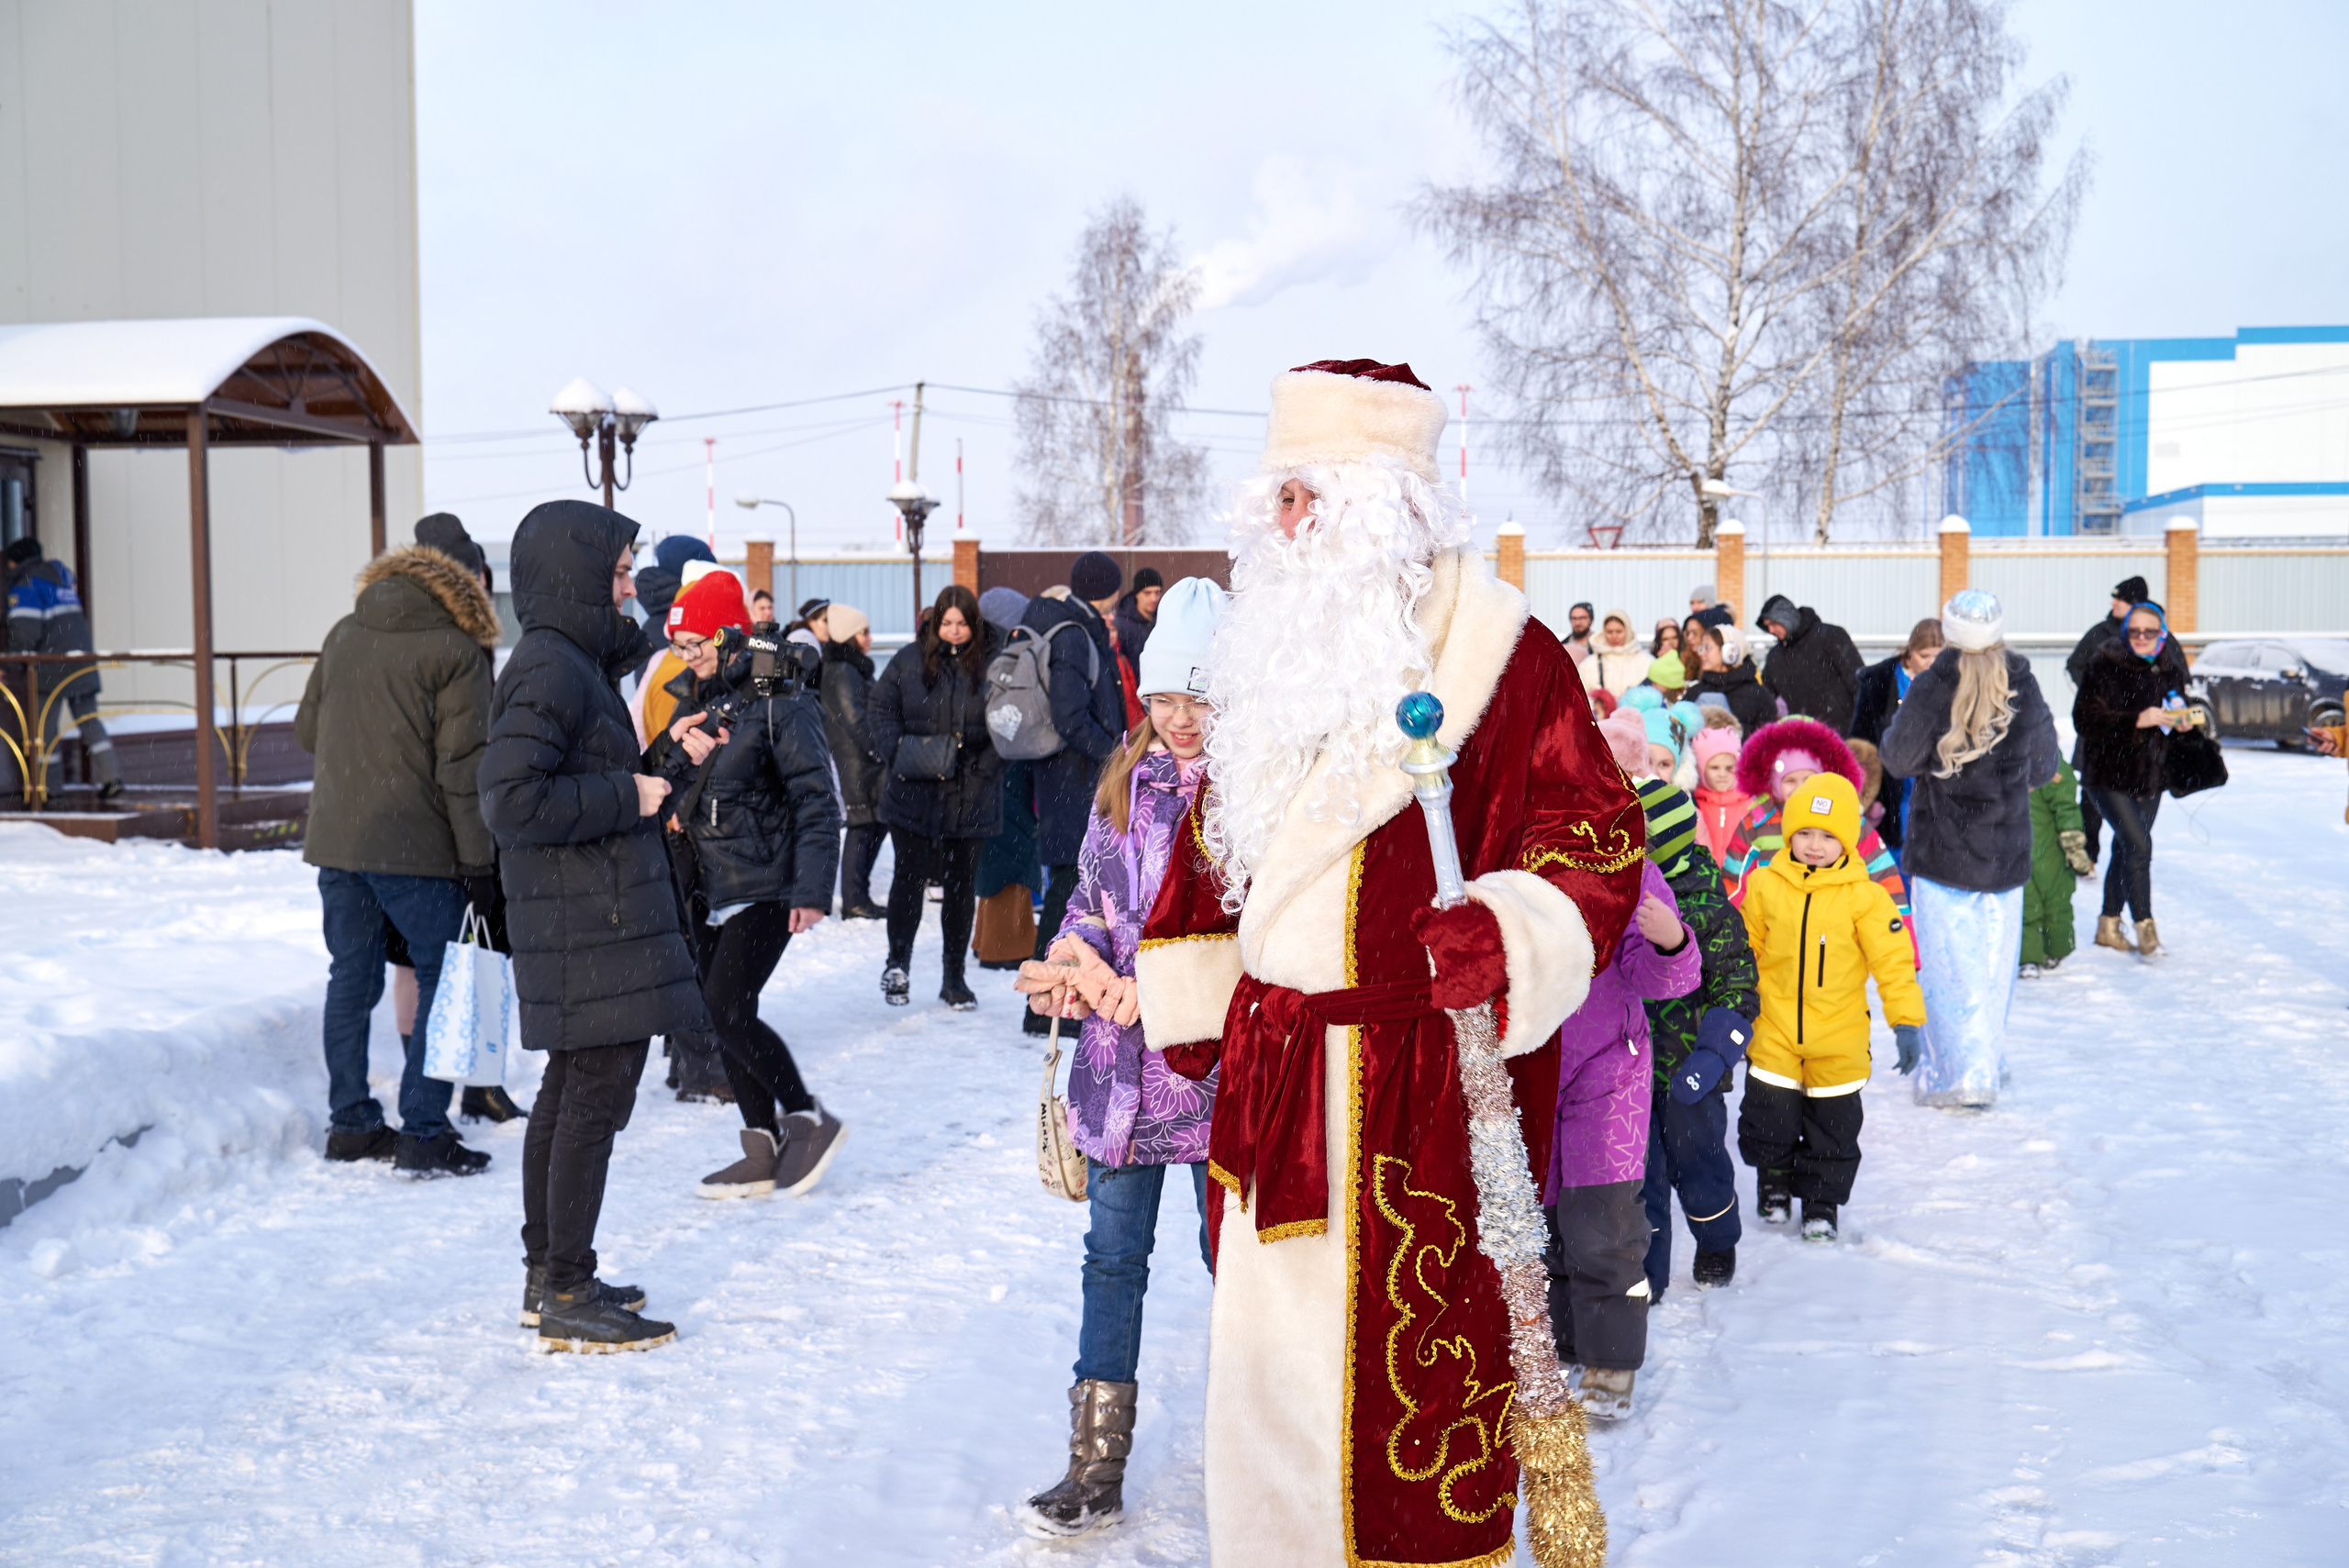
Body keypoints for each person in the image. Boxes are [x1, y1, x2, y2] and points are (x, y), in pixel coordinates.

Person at [1132, 359, 1642, 1567]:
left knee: (1411, 1415)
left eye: (1305, 496)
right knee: (1273, 1399)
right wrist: (1199, 988)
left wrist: (1513, 925)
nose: (1283, 523)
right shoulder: (1266, 652)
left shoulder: (1503, 661)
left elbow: (1595, 842)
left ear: (1385, 498)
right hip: (1276, 1083)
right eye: (1276, 500)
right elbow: (1221, 844)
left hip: (1420, 1087)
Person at [1011, 576, 1224, 1538]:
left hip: (1217, 1073)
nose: (1181, 719)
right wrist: (1070, 956)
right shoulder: (1121, 783)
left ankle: (1262, 1446)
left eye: (1201, 698)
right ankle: (1094, 1462)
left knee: (1239, 1265)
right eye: (1166, 699)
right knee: (1111, 1261)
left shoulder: (1256, 797)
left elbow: (1260, 938)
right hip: (1117, 1075)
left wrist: (1164, 991)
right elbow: (1090, 899)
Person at [480, 499, 709, 1352]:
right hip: (586, 923)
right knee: (591, 1103)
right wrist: (629, 792)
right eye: (617, 573)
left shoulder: (571, 664)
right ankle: (566, 1286)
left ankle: (553, 1273)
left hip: (590, 916)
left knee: (573, 1096)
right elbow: (511, 800)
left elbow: (588, 786)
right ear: (575, 575)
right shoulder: (550, 667)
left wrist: (663, 764)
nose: (628, 587)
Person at [295, 526, 503, 1174]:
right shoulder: (457, 651)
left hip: (336, 841)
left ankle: (351, 1122)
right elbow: (463, 769)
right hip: (416, 848)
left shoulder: (343, 634)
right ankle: (423, 1129)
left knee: (350, 978)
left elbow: (307, 731)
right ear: (461, 592)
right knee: (443, 978)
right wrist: (480, 861)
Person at [644, 569, 848, 1200]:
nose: (689, 658)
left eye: (698, 643)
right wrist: (671, 748)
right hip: (710, 882)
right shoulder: (701, 693)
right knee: (724, 1009)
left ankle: (808, 1118)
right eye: (680, 647)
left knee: (726, 1005)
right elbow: (661, 775)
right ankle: (761, 1143)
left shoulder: (777, 694)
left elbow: (817, 798)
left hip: (769, 879)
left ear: (731, 631)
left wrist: (812, 889)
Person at [1542, 824, 1698, 1421]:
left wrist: (1670, 941)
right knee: (1544, 1214)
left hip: (1608, 1064)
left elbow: (1666, 978)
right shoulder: (1504, 849)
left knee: (1603, 1218)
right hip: (1527, 1064)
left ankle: (1611, 1357)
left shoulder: (1626, 867)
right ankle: (1559, 1340)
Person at [1880, 591, 2059, 1108]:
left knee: (1948, 970)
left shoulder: (1936, 682)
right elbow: (2046, 764)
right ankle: (1983, 1065)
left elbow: (1896, 756)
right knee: (1991, 969)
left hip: (1943, 851)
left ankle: (1956, 1075)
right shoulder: (2021, 681)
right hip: (2003, 851)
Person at [1738, 772, 1923, 1240]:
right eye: (1804, 833)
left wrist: (1905, 1022)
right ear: (1788, 833)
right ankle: (1774, 1182)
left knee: (1834, 1130)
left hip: (1838, 1037)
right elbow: (1743, 952)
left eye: (1827, 835)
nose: (1815, 845)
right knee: (1769, 1118)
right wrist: (1729, 1009)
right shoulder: (1764, 886)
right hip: (1774, 1027)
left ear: (1848, 840)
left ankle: (1821, 1204)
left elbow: (1893, 962)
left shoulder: (1866, 898)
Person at [1634, 775, 1755, 1301]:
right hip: (1632, 1075)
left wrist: (1714, 1054)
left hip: (1690, 1076)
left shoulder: (1712, 912)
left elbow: (1740, 991)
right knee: (1643, 1180)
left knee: (1701, 1167)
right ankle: (1649, 1275)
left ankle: (1716, 1240)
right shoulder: (1628, 905)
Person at [869, 582, 1002, 1008]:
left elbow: (1008, 724)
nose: (955, 631)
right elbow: (880, 710)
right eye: (947, 622)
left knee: (961, 889)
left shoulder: (994, 664)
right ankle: (897, 964)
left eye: (963, 623)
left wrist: (982, 770)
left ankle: (954, 977)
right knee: (907, 878)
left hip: (971, 795)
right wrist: (901, 753)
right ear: (935, 622)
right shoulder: (909, 660)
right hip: (913, 793)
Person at [1020, 552, 1128, 1035]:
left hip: (1073, 777)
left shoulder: (1073, 626)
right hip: (1072, 779)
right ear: (1106, 589)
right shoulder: (1073, 633)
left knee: (1074, 885)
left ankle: (1054, 1004)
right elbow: (1071, 715)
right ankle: (1043, 1006)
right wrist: (1114, 757)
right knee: (1069, 886)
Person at [2072, 600, 2193, 961]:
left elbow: (2177, 705)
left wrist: (2182, 721)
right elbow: (2084, 720)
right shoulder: (2103, 664)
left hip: (2151, 774)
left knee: (2127, 847)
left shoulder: (2168, 667)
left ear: (2162, 633)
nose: (2141, 638)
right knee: (2139, 847)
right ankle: (2146, 929)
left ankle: (2108, 924)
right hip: (2106, 774)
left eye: (2150, 632)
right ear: (2126, 632)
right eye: (2135, 631)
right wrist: (2134, 721)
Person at [1721, 718, 1909, 927]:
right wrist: (1735, 934)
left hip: (1838, 934)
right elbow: (1733, 885)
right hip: (1774, 935)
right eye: (1790, 781)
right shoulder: (1755, 825)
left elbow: (1883, 877)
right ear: (1772, 783)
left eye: (1808, 779)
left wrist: (1897, 929)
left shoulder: (1847, 819)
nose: (1800, 789)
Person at [3, 535, 120, 802]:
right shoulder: (60, 581)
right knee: (89, 722)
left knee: (45, 729)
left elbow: (24, 633)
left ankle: (49, 789)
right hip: (81, 662)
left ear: (16, 562)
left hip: (51, 667)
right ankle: (111, 777)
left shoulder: (27, 585)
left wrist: (9, 663)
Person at [974, 586, 1042, 970]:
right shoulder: (1003, 660)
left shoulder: (987, 657)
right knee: (1012, 853)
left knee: (1000, 856)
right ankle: (1006, 946)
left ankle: (988, 941)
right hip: (1007, 767)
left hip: (996, 771)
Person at [2065, 574, 2149, 862]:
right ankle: (2089, 852)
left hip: (2137, 737)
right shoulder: (2100, 633)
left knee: (2133, 799)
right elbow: (2074, 666)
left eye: (2120, 598)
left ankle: (2129, 852)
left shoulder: (2152, 636)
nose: (2114, 603)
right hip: (2099, 732)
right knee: (2091, 796)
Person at [1847, 618, 1944, 854]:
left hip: (1934, 785)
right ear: (1910, 652)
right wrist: (1870, 794)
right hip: (1892, 787)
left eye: (1938, 656)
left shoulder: (1951, 682)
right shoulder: (1879, 683)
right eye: (1924, 656)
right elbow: (1862, 741)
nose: (1932, 663)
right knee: (1893, 858)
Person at [818, 603, 885, 919]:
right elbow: (855, 719)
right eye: (864, 632)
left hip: (859, 759)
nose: (870, 638)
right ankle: (855, 899)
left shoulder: (848, 667)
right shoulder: (844, 670)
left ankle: (858, 895)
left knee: (871, 825)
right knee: (863, 826)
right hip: (858, 762)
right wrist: (879, 748)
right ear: (849, 635)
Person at [2021, 757, 2094, 977]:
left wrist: (2073, 845)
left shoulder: (2050, 765)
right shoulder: (2020, 760)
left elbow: (2066, 807)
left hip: (2046, 850)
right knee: (2037, 903)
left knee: (2047, 903)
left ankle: (2046, 952)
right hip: (2029, 849)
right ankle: (2038, 954)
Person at [1754, 592, 1865, 736]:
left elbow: (1859, 681)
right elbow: (1765, 698)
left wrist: (1865, 722)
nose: (1771, 630)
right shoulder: (1775, 657)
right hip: (1804, 738)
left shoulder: (1829, 636)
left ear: (1787, 617)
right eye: (1767, 627)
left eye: (1774, 623)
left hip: (1842, 732)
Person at [1690, 622, 1776, 733]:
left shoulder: (1759, 696)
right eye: (1701, 648)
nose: (1701, 653)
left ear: (1730, 651)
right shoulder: (1695, 692)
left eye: (1707, 648)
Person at [1689, 725, 1749, 863]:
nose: (1722, 774)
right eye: (1714, 768)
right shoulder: (1696, 804)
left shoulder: (1749, 805)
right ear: (1701, 769)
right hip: (1707, 878)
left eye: (1729, 768)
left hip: (1738, 878)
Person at [1113, 565, 1163, 678]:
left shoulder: (1165, 621)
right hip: (1133, 690)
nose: (1154, 598)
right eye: (1147, 593)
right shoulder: (1121, 625)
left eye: (1157, 592)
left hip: (1160, 690)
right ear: (1136, 594)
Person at [1590, 606, 1649, 695]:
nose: (1614, 636)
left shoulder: (1646, 662)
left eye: (1619, 632)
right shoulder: (1589, 664)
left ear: (1627, 631)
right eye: (1609, 632)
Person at [1563, 600, 1596, 666]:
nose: (1577, 623)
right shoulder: (1562, 646)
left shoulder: (1599, 645)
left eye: (1582, 618)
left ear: (1591, 620)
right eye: (1574, 618)